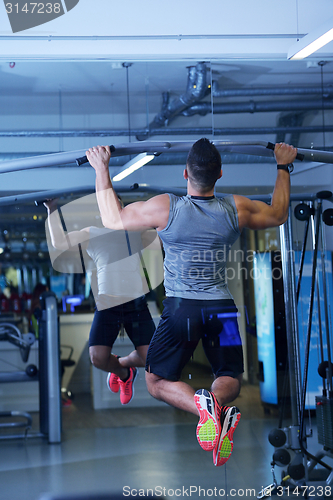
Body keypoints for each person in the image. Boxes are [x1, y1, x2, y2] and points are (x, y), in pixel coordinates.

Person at [86, 138, 297, 466]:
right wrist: (282, 166)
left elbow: (114, 218)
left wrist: (102, 168)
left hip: (182, 310)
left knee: (156, 381)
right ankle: (216, 407)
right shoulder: (235, 207)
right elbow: (279, 213)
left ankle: (203, 405)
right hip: (223, 311)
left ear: (185, 173)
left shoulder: (167, 207)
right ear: (221, 174)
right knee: (230, 376)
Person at [44, 197, 157, 405]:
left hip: (135, 303)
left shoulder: (136, 231)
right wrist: (52, 209)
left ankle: (124, 365)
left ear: (122, 208)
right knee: (97, 358)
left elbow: (162, 237)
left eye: (116, 205)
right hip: (108, 303)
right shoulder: (92, 233)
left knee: (153, 359)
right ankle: (123, 374)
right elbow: (59, 242)